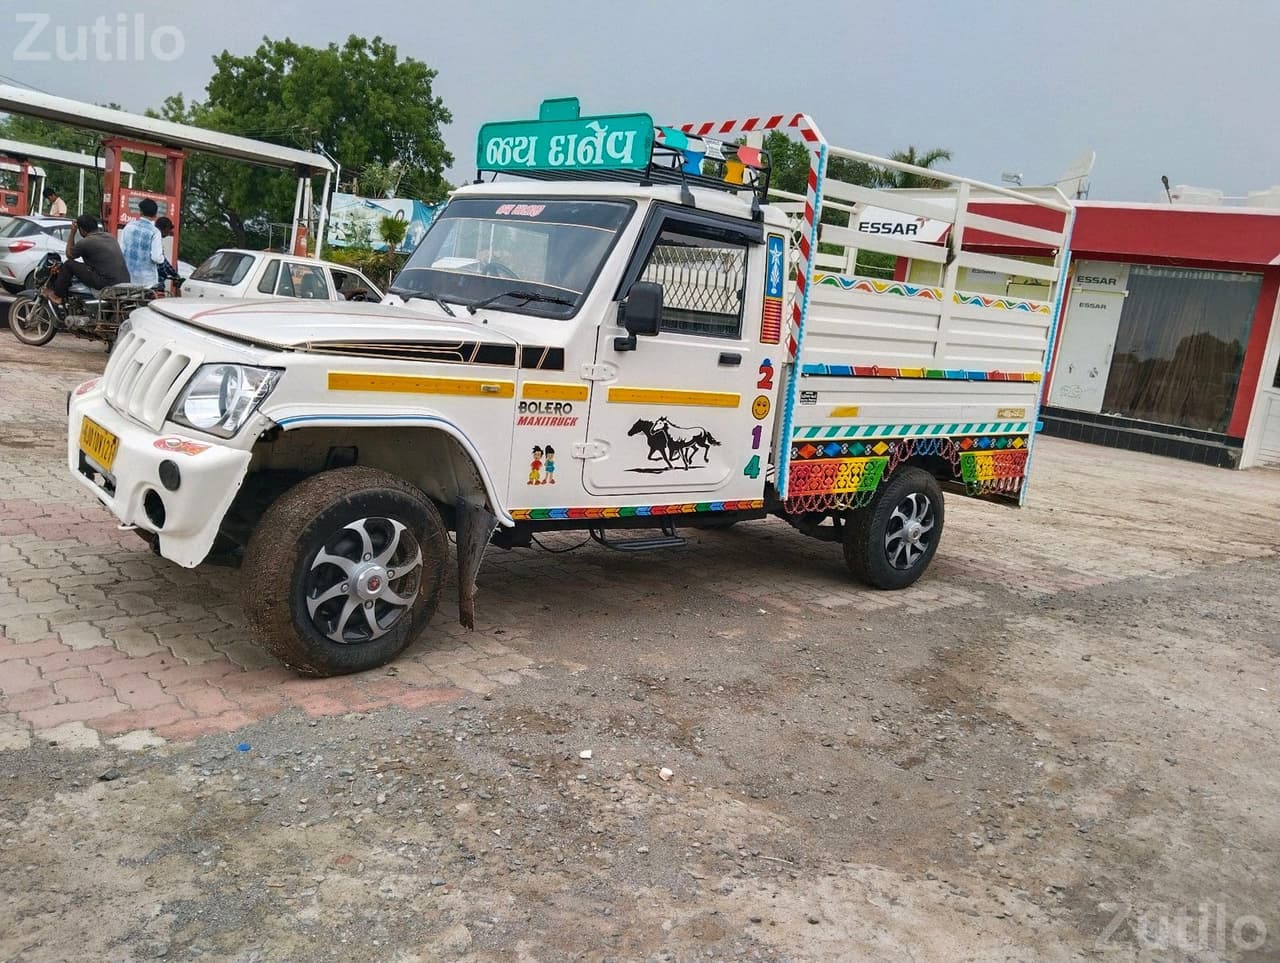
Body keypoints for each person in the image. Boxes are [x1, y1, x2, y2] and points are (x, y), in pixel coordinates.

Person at [43, 214, 130, 306]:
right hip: (123, 280)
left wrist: (72, 232)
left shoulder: (86, 242)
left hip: (106, 282)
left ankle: (58, 296)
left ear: (82, 230)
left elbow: (69, 255)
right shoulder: (110, 237)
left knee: (68, 264)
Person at [119, 197, 165, 286]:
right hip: (147, 282)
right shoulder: (155, 232)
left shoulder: (129, 226)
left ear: (140, 212)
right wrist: (162, 258)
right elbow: (156, 258)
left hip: (127, 277)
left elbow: (121, 251)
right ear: (155, 215)